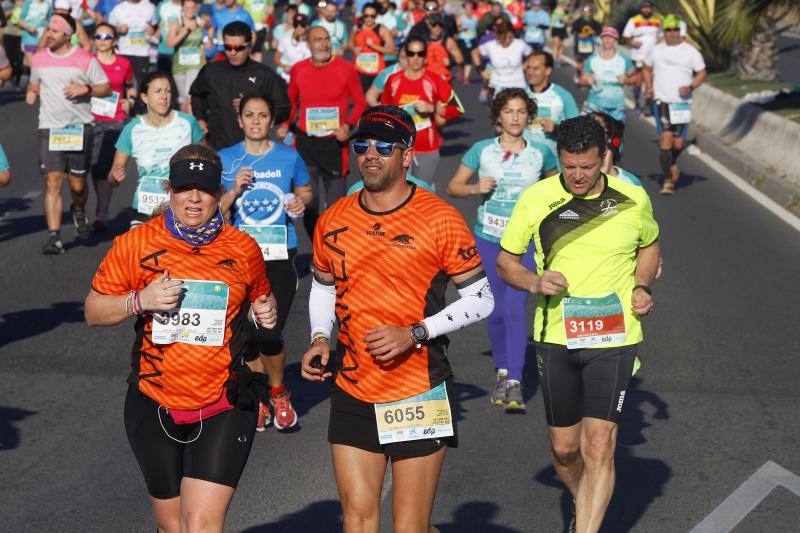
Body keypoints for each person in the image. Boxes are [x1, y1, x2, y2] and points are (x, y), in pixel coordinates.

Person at [301, 105, 494, 533]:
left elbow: (481, 299)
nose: (371, 154)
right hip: (354, 384)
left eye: (384, 147)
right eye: (363, 145)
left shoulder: (440, 218)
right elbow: (323, 286)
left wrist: (416, 332)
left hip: (417, 388)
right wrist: (319, 337)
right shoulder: (334, 218)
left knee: (410, 526)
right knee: (357, 517)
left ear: (407, 156)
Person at [85, 143, 278, 533]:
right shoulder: (136, 243)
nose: (194, 199)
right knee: (173, 527)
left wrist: (266, 309)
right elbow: (93, 310)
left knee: (201, 524)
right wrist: (140, 300)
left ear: (217, 193)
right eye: (185, 188)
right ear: (169, 190)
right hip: (154, 401)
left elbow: (261, 293)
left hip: (223, 401)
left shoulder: (242, 248)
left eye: (204, 190)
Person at [497, 115, 660, 533]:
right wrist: (534, 281)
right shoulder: (536, 199)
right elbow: (506, 263)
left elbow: (650, 244)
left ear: (604, 158)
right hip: (556, 335)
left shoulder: (632, 198)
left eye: (587, 166)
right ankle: (583, 496)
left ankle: (587, 523)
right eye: (569, 166)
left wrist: (641, 287)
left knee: (599, 444)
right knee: (565, 451)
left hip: (615, 335)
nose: (578, 175)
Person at [447, 88, 557, 411]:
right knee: (493, 311)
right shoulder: (481, 151)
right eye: (509, 111)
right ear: (498, 116)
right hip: (489, 238)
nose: (515, 118)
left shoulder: (541, 154)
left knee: (514, 307)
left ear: (529, 116)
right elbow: (453, 187)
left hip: (525, 243)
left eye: (521, 111)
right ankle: (504, 366)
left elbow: (557, 188)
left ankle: (514, 380)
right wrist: (474, 188)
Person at [219, 94, 312, 432]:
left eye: (262, 115)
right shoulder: (226, 159)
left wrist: (300, 204)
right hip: (238, 258)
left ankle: (279, 392)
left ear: (271, 121)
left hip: (278, 255)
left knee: (269, 330)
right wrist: (233, 190)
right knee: (244, 334)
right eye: (249, 115)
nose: (256, 121)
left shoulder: (289, 156)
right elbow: (211, 212)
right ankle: (259, 396)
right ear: (240, 120)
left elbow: (305, 191)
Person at [26, 13, 110, 255]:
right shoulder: (39, 59)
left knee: (78, 186)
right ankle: (55, 237)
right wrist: (32, 92)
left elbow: (104, 87)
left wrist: (85, 88)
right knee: (52, 182)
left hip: (79, 128)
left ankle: (79, 209)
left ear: (67, 35)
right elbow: (34, 84)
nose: (48, 35)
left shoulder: (85, 60)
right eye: (48, 30)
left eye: (54, 31)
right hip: (49, 128)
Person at [277, 25, 366, 237]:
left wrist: (348, 126)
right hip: (306, 144)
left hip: (334, 146)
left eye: (327, 39)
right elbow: (291, 103)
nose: (324, 44)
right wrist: (284, 124)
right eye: (318, 40)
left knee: (336, 207)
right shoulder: (299, 69)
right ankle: (319, 248)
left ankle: (332, 250)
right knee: (310, 203)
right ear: (308, 44)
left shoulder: (345, 68)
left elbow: (361, 103)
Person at [109, 71, 204, 226]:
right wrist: (115, 175)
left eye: (168, 91)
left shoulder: (188, 123)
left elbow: (207, 161)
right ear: (145, 97)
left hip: (182, 209)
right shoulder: (132, 129)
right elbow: (112, 179)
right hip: (144, 208)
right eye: (158, 91)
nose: (164, 96)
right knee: (142, 250)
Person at [190, 20, 290, 150]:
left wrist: (255, 107)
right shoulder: (210, 71)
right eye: (228, 47)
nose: (233, 53)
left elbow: (284, 108)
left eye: (239, 48)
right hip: (218, 147)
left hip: (254, 150)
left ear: (250, 46)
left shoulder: (264, 74)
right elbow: (197, 95)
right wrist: (200, 119)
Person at [643, 14, 705, 195]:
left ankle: (672, 163)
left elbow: (702, 73)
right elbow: (646, 69)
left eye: (675, 30)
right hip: (662, 100)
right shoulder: (656, 50)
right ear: (664, 32)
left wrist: (691, 86)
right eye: (668, 30)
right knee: (665, 139)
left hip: (682, 104)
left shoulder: (690, 51)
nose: (671, 33)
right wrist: (649, 87)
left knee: (678, 144)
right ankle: (668, 180)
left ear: (679, 31)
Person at [381, 36, 456, 186]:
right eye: (411, 53)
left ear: (425, 56)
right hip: (399, 148)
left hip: (426, 148)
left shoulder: (434, 80)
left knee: (422, 195)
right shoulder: (393, 80)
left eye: (420, 54)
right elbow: (385, 112)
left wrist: (432, 108)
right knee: (399, 193)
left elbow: (456, 108)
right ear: (405, 55)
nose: (415, 58)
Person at [90, 22, 135, 233]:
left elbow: (131, 86)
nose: (102, 40)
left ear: (114, 41)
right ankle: (91, 201)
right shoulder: (88, 62)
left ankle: (102, 212)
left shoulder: (124, 63)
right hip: (89, 119)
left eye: (107, 37)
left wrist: (131, 102)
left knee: (105, 166)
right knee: (92, 167)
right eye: (98, 36)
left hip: (115, 120)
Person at [523, 51, 579, 160]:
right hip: (526, 161)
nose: (530, 72)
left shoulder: (563, 96)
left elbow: (577, 131)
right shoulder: (519, 95)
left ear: (548, 70)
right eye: (528, 68)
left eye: (535, 68)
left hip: (553, 160)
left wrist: (556, 129)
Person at [580, 27, 635, 123]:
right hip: (595, 104)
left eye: (611, 37)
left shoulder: (624, 59)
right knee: (593, 135)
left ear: (616, 40)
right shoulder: (592, 59)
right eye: (605, 37)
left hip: (616, 106)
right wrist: (587, 80)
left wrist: (626, 80)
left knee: (614, 137)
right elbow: (582, 80)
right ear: (601, 39)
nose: (607, 40)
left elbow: (635, 78)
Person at [472, 16, 530, 99]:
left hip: (518, 85)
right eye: (505, 36)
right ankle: (485, 89)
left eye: (511, 36)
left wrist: (526, 66)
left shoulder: (519, 44)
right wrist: (480, 71)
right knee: (500, 111)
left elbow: (532, 55)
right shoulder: (491, 45)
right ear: (499, 35)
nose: (509, 39)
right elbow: (474, 53)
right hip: (497, 86)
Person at [622, 1, 661, 115]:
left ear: (651, 9)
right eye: (644, 8)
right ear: (641, 9)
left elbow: (660, 37)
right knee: (638, 81)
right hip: (638, 56)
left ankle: (649, 106)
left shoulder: (657, 21)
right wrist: (633, 41)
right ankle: (638, 103)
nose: (646, 10)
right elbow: (625, 36)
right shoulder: (634, 20)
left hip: (653, 58)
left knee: (650, 82)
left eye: (648, 8)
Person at [167, 0, 205, 114]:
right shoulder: (176, 24)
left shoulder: (200, 22)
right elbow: (169, 43)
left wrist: (209, 40)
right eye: (187, 7)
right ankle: (185, 123)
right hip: (179, 66)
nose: (190, 10)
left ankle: (193, 124)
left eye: (193, 7)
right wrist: (185, 31)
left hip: (195, 64)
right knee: (183, 99)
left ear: (196, 8)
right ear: (182, 9)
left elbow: (210, 31)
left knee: (190, 95)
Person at [108, 0, 156, 89]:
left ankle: (138, 102)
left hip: (142, 53)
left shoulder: (150, 7)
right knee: (123, 85)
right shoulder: (118, 9)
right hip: (123, 52)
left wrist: (152, 31)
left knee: (142, 86)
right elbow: (109, 29)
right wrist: (118, 29)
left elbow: (155, 26)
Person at [350, 2, 395, 92]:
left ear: (376, 16)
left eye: (372, 16)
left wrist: (374, 46)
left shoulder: (381, 29)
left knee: (373, 100)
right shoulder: (357, 28)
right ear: (363, 15)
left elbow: (392, 50)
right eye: (366, 15)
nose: (369, 18)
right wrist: (354, 48)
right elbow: (350, 43)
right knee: (361, 100)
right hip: (360, 70)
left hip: (376, 72)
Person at [274, 13, 310, 82]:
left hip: (306, 80)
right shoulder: (285, 40)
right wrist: (284, 66)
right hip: (288, 79)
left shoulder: (312, 42)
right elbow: (276, 57)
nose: (299, 28)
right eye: (296, 25)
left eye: (302, 25)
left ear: (307, 26)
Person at [570, 4, 601, 85]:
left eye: (589, 11)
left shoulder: (594, 22)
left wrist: (593, 32)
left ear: (591, 12)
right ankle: (578, 74)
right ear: (583, 12)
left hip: (589, 46)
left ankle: (583, 80)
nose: (587, 13)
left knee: (586, 62)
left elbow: (599, 31)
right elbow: (573, 30)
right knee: (579, 63)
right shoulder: (578, 21)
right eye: (585, 11)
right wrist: (579, 34)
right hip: (579, 45)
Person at [17, 0, 51, 68]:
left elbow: (50, 21)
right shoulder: (28, 3)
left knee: (41, 63)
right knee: (31, 64)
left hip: (42, 39)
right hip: (29, 38)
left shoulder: (48, 4)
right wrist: (29, 28)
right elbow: (20, 21)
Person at [155, 0, 182, 74]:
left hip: (182, 52)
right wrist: (157, 31)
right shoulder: (162, 5)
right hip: (164, 51)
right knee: (163, 80)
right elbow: (156, 23)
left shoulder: (188, 5)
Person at [455, 1, 477, 84]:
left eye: (470, 9)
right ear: (464, 9)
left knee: (469, 59)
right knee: (461, 59)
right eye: (467, 9)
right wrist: (462, 29)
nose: (468, 10)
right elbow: (456, 28)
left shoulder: (475, 17)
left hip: (473, 40)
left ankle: (466, 77)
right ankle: (460, 69)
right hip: (462, 40)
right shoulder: (461, 18)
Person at [549, 0, 568, 66]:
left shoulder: (565, 11)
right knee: (556, 44)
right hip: (555, 28)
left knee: (561, 45)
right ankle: (554, 59)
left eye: (562, 2)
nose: (560, 3)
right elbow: (551, 19)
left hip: (562, 29)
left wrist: (563, 20)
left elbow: (566, 21)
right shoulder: (553, 9)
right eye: (559, 2)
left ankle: (559, 60)